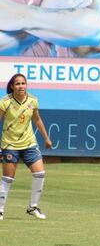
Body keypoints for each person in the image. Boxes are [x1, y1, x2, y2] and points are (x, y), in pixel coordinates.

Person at [0, 73, 52, 221]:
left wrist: (46, 138)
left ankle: (33, 207)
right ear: (12, 86)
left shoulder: (33, 100)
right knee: (8, 178)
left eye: (23, 83)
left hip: (29, 143)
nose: (21, 86)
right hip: (10, 145)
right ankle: (0, 210)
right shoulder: (5, 102)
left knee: (40, 174)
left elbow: (37, 119)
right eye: (18, 84)